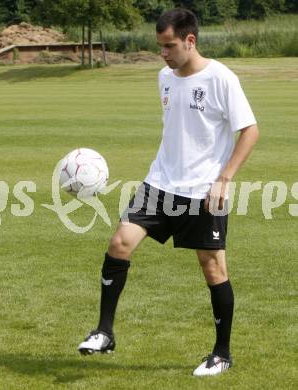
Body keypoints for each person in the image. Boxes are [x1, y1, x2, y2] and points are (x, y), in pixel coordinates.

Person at [78, 8, 259, 377]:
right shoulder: (164, 77)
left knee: (212, 267)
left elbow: (250, 130)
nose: (163, 53)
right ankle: (104, 332)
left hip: (204, 190)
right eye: (160, 46)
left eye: (169, 45)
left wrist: (224, 178)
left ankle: (221, 354)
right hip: (160, 184)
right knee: (119, 244)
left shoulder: (221, 78)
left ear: (190, 41)